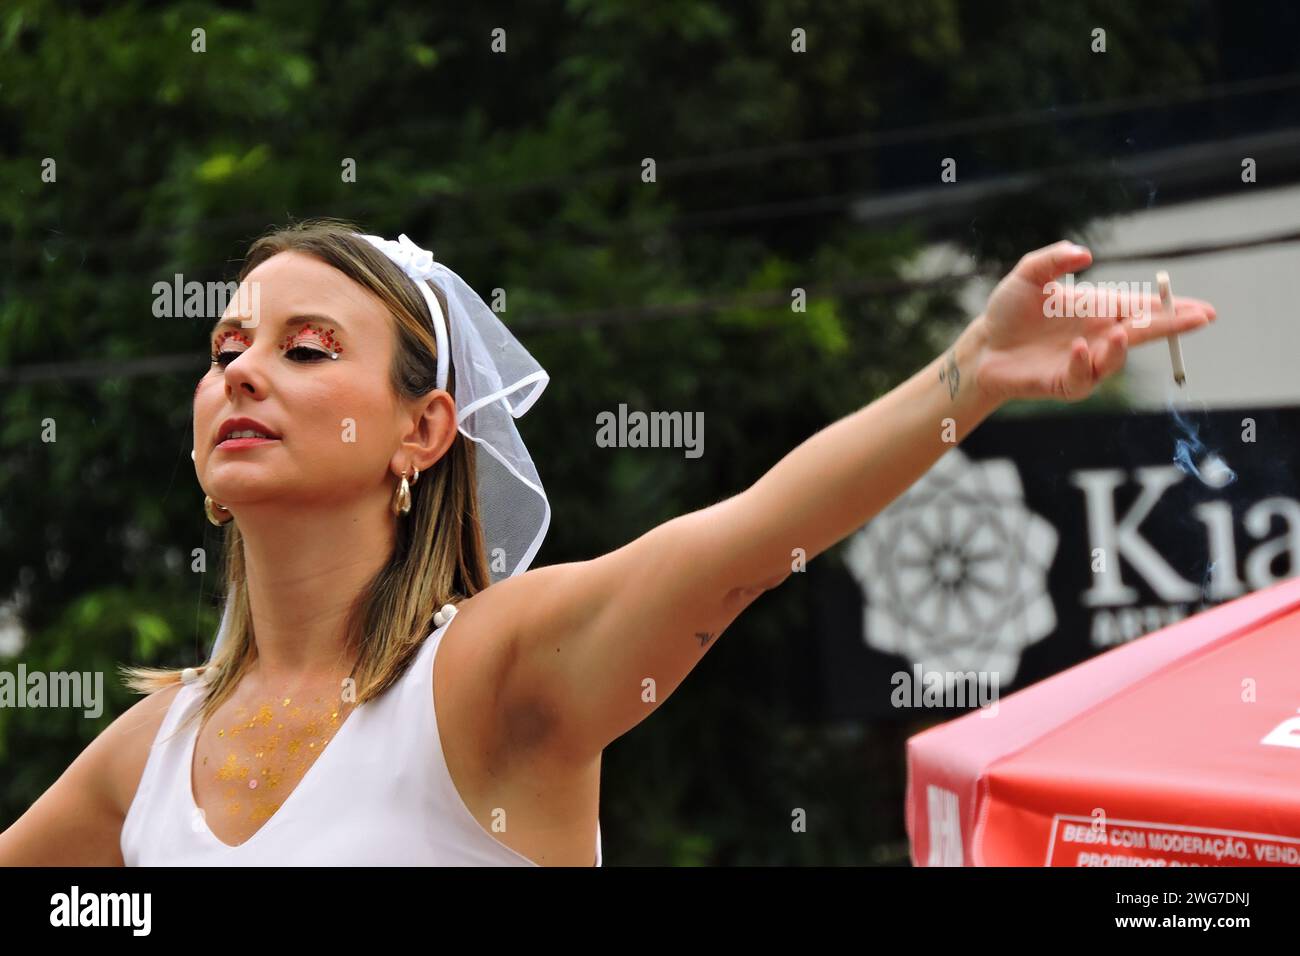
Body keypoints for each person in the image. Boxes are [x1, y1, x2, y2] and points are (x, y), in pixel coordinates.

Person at [0, 221, 1216, 866]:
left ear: (424, 430)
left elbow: (751, 535)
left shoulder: (485, 673)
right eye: (224, 352)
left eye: (305, 348)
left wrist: (967, 375)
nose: (244, 372)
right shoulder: (148, 754)